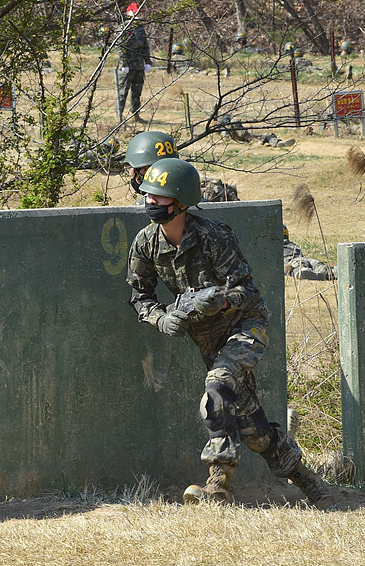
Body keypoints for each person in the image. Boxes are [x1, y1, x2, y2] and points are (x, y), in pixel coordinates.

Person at [125, 157, 336, 509]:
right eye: (148, 195)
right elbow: (140, 296)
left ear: (180, 202)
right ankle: (309, 481)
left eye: (159, 197)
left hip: (246, 326)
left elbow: (248, 292)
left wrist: (215, 301)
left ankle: (217, 485)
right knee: (253, 429)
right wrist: (160, 318)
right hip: (209, 342)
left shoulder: (213, 236)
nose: (150, 202)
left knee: (217, 388)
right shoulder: (146, 243)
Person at [117, 2, 152, 123]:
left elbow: (145, 46)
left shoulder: (140, 29)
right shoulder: (123, 28)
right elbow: (120, 48)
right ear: (129, 13)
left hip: (138, 65)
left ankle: (135, 115)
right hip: (127, 66)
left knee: (137, 92)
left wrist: (148, 61)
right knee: (122, 92)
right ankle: (119, 116)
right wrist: (124, 64)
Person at [123, 130, 178, 199]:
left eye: (132, 167)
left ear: (146, 170)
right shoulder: (187, 198)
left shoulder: (150, 206)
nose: (129, 173)